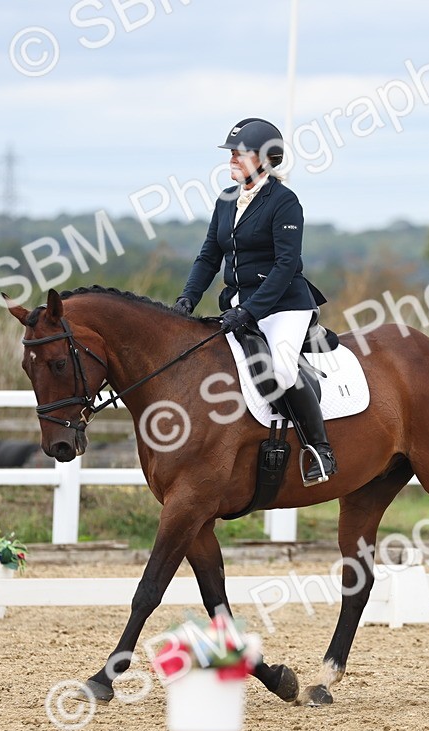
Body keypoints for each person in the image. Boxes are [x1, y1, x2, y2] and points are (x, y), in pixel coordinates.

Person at [174, 117, 337, 486]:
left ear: (265, 159)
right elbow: (208, 256)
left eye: (240, 153)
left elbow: (285, 266)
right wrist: (187, 297)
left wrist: (249, 310)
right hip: (237, 306)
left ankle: (321, 451)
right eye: (231, 152)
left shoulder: (284, 202)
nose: (232, 158)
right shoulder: (227, 199)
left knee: (280, 370)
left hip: (284, 307)